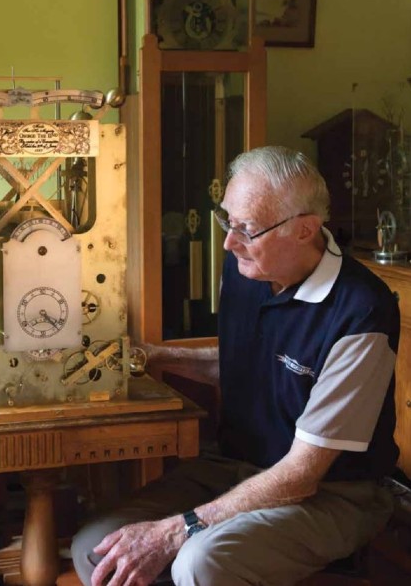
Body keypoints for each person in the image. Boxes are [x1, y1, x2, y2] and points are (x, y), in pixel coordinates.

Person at [71, 146, 400, 586]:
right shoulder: (247, 268)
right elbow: (249, 367)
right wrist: (155, 355)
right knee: (96, 547)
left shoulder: (361, 313)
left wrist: (176, 529)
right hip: (237, 466)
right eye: (227, 220)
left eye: (246, 228)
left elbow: (302, 474)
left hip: (334, 493)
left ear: (305, 229)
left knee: (201, 561)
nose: (228, 241)